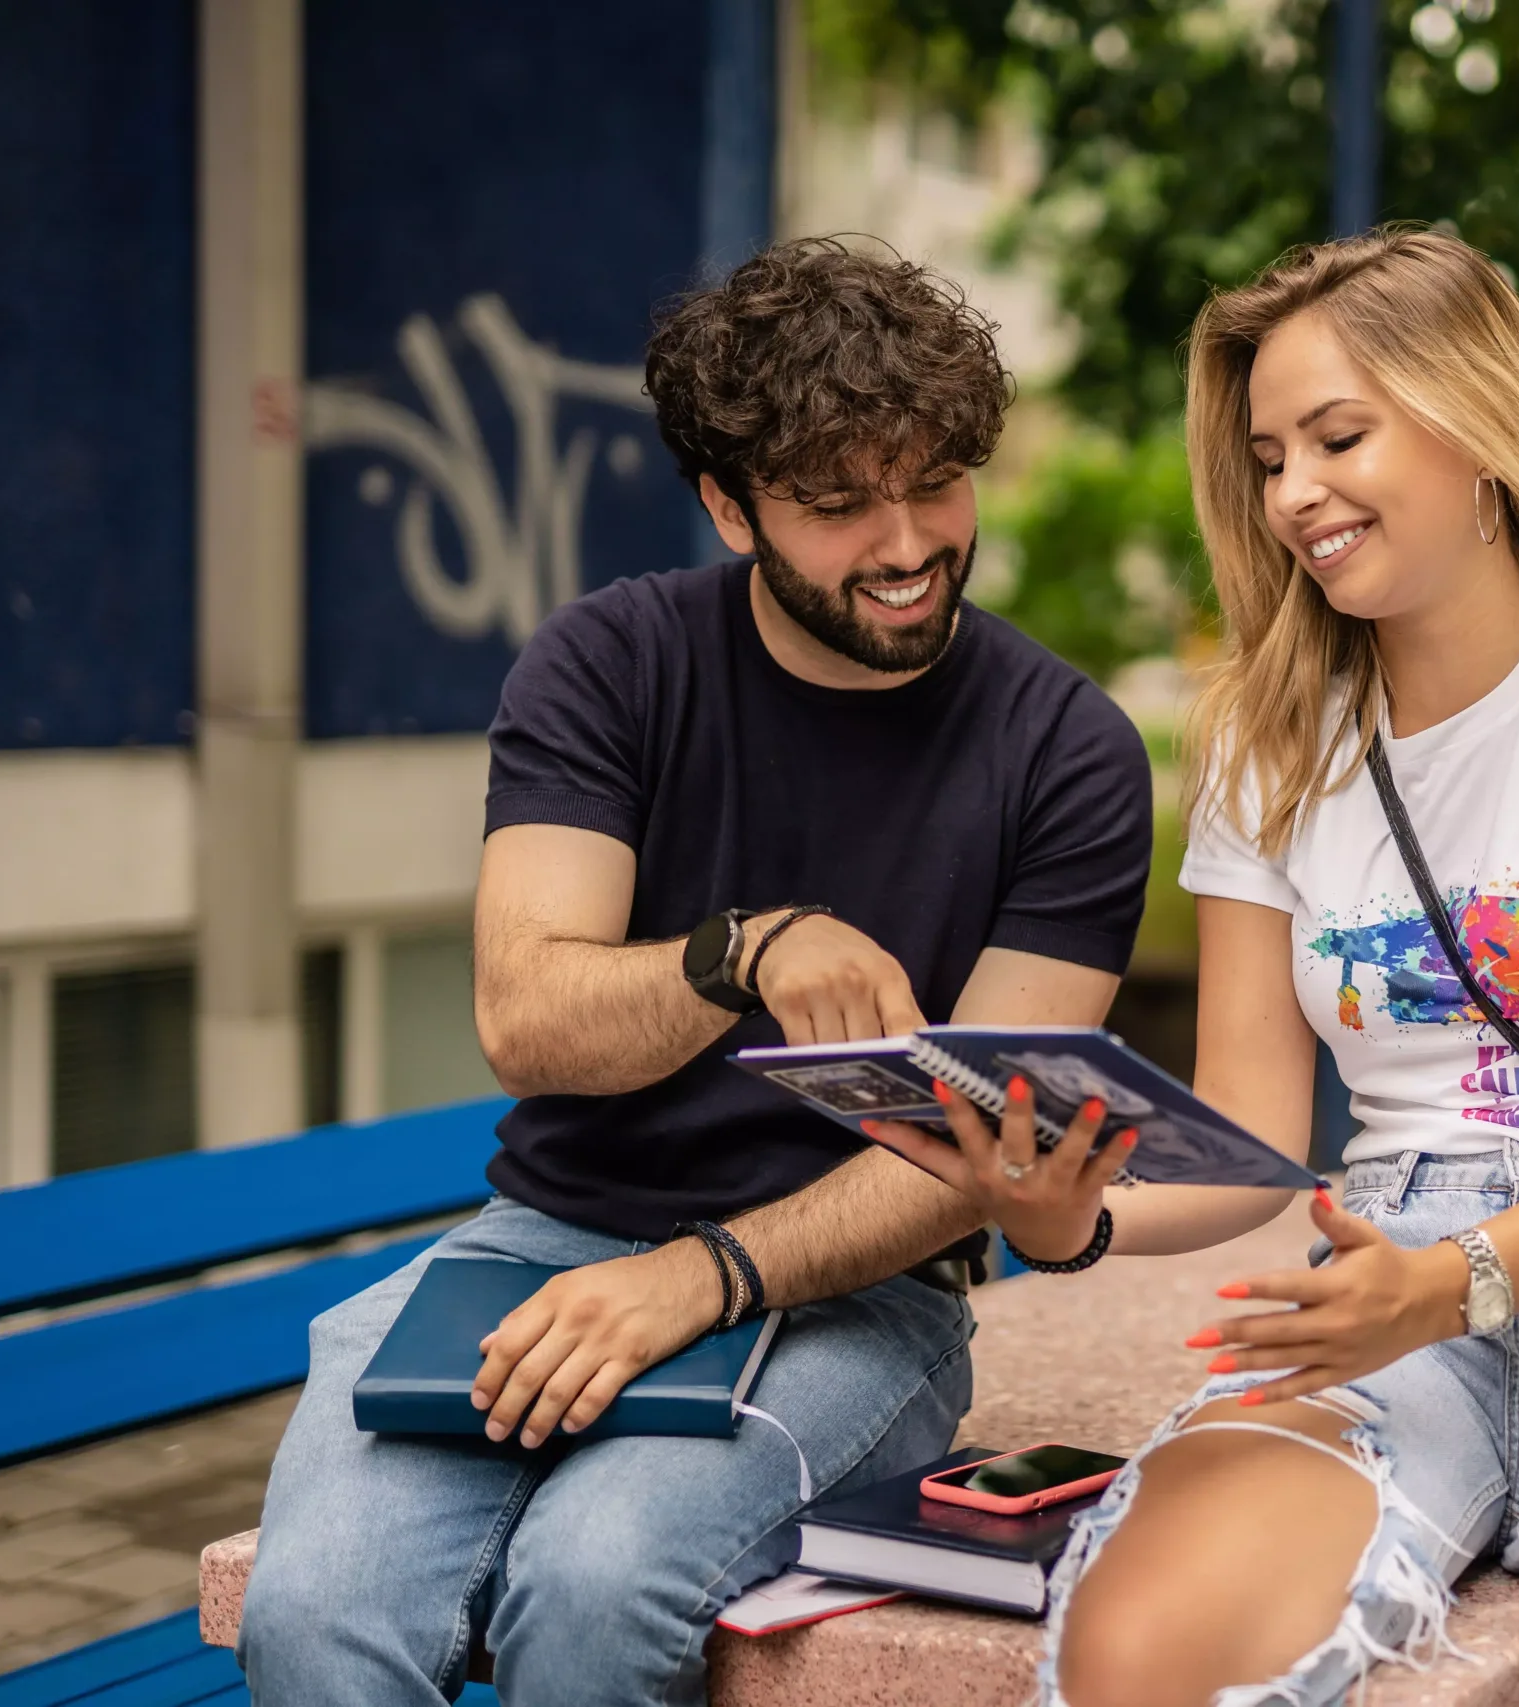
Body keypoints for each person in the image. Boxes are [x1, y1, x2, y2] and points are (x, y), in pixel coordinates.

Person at [877, 227, 1519, 1707]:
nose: (1295, 494)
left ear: (1485, 430)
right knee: (1141, 1651)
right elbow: (1255, 1144)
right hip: (1379, 1272)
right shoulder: (1272, 749)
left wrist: (1464, 1282)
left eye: (1339, 436)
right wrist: (1069, 1219)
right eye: (1270, 457)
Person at [238, 238, 1154, 1706]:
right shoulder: (609, 663)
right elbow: (528, 1022)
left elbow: (979, 1140)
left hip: (861, 1296)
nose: (908, 540)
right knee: (315, 1615)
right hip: (543, 1244)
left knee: (595, 1591)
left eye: (935, 481)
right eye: (840, 504)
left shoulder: (1067, 750)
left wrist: (703, 1274)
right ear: (730, 505)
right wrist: (743, 952)